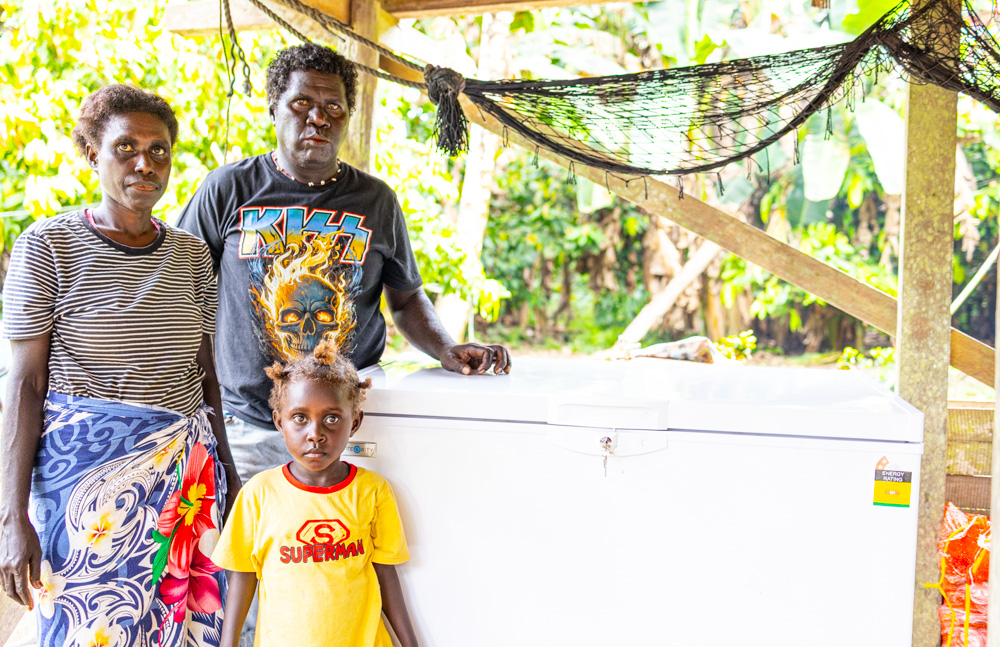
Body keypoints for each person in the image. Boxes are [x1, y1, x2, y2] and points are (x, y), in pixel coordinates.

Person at [177, 43, 509, 501]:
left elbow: (407, 298)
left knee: (332, 560)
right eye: (302, 104)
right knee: (245, 565)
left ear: (348, 115)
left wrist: (446, 348)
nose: (319, 117)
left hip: (345, 433)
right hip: (247, 430)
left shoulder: (376, 201)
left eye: (334, 106)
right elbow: (179, 287)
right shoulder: (229, 188)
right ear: (274, 108)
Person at [0, 85, 241, 647]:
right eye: (125, 147)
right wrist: (12, 519)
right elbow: (24, 385)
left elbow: (204, 374)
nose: (144, 163)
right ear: (92, 152)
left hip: (185, 486)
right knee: (85, 629)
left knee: (181, 629)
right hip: (82, 489)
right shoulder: (48, 244)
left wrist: (226, 473)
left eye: (159, 150)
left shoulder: (190, 254)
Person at [212, 341, 417, 647]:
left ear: (355, 423)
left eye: (332, 418)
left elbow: (386, 574)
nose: (315, 433)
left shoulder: (372, 491)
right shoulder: (258, 493)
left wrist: (410, 643)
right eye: (300, 418)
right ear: (280, 422)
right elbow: (242, 575)